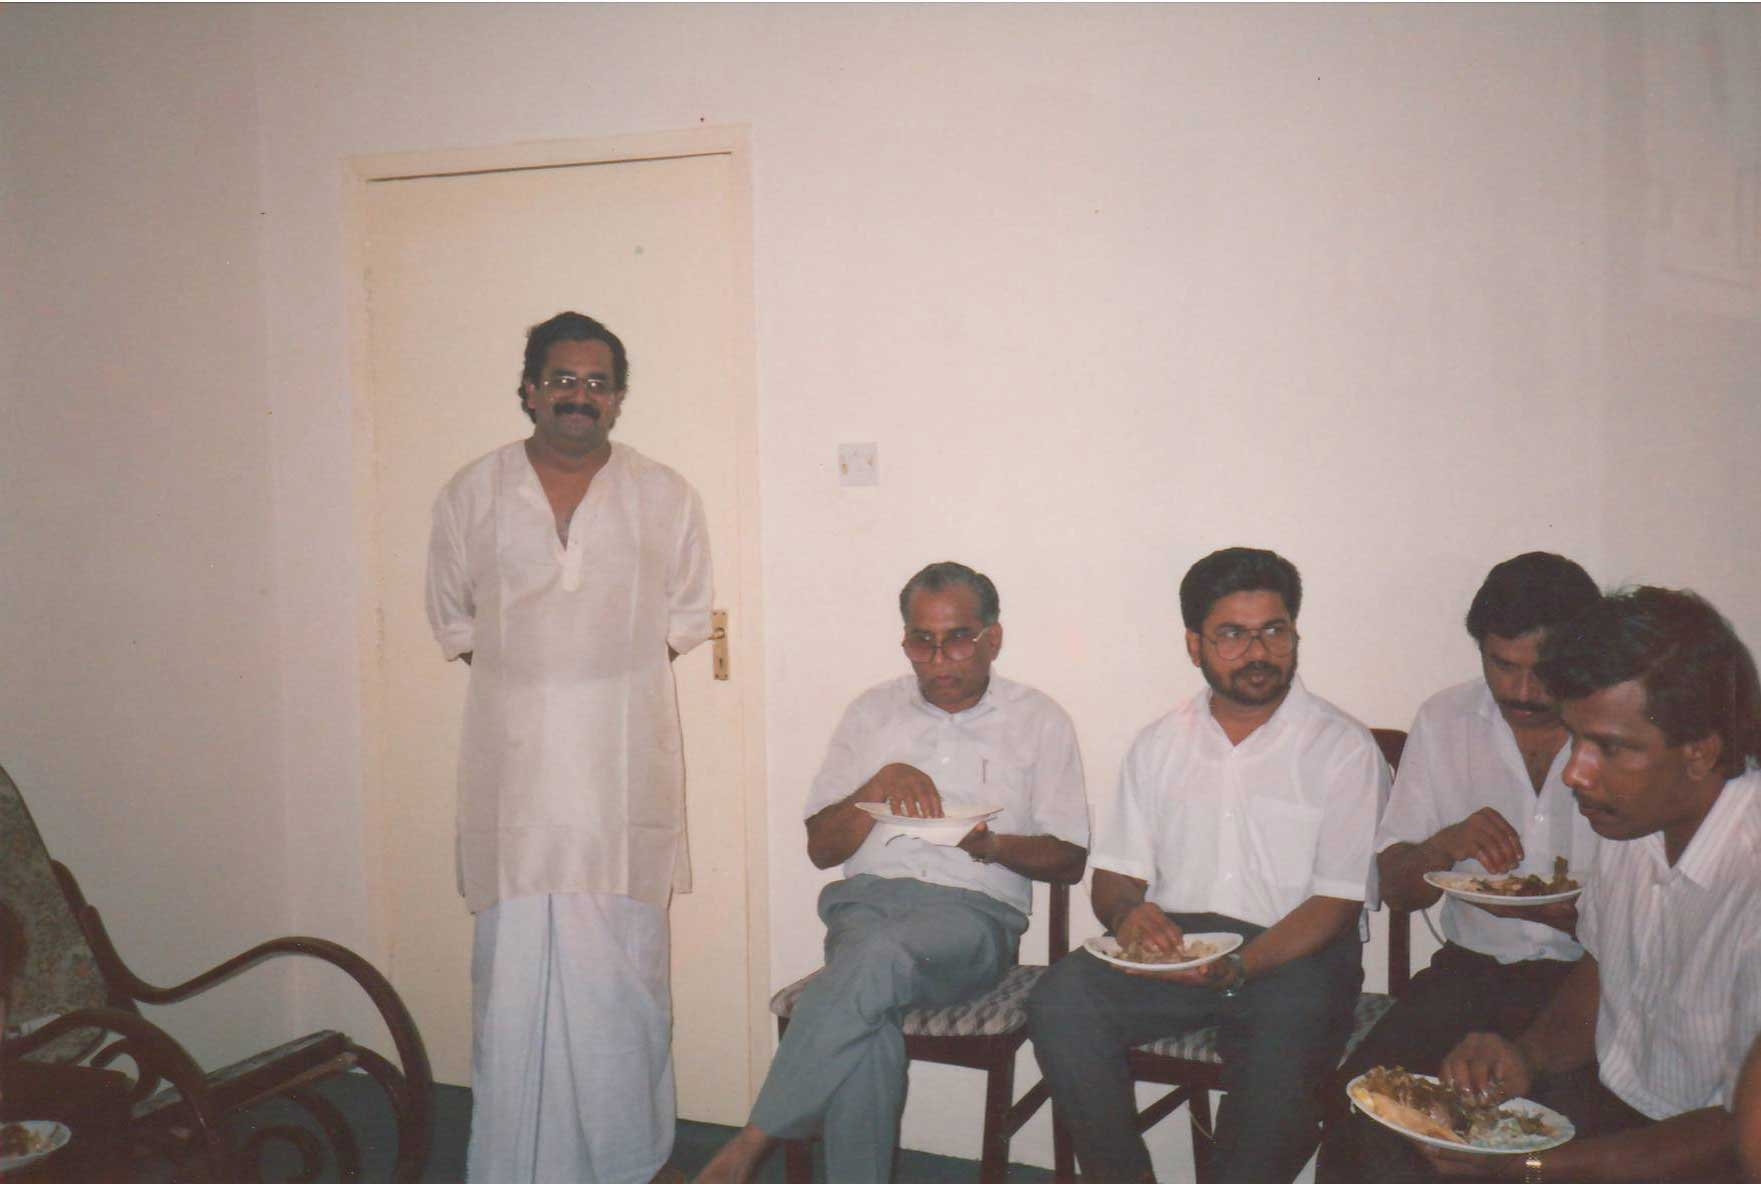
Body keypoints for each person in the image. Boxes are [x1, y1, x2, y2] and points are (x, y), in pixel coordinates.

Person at [425, 311, 713, 1184]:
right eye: (561, 379)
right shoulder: (472, 492)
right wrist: (539, 688)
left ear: (618, 398)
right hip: (511, 778)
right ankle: (514, 1164)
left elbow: (685, 618)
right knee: (512, 978)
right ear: (528, 389)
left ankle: (630, 1162)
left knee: (621, 977)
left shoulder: (664, 494)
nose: (578, 396)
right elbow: (453, 618)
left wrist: (596, 690)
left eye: (596, 382)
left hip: (621, 778)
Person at [695, 561, 1089, 1184]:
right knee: (868, 1005)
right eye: (921, 641)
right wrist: (877, 784)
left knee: (865, 973)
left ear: (992, 638)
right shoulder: (871, 713)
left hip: (972, 919)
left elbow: (1070, 858)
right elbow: (821, 849)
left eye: (957, 639)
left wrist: (990, 845)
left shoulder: (1039, 720)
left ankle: (747, 1147)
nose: (938, 659)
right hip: (865, 906)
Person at [1027, 546, 1389, 1184]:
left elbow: (1336, 904)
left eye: (1274, 631)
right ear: (1194, 646)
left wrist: (1241, 968)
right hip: (1183, 947)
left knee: (1280, 1064)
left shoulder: (1342, 747)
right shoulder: (1159, 743)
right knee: (1063, 999)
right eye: (1232, 635)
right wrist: (1129, 915)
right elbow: (1114, 877)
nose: (1258, 652)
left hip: (1297, 954)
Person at [1428, 587, 1761, 1183]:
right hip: (1618, 1111)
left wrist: (1528, 1168)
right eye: (1574, 737)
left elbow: (1741, 1137)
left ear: (1700, 752)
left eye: (1609, 747)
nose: (1575, 773)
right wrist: (1524, 1055)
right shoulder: (1631, 823)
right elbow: (1605, 971)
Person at [1319, 552, 1602, 1183]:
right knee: (1364, 1108)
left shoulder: (1619, 730)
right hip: (1472, 973)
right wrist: (1443, 846)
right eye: (1502, 665)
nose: (1522, 691)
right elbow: (1399, 890)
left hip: (1592, 981)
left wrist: (1578, 918)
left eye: (1544, 670)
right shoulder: (1446, 720)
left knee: (1553, 1129)